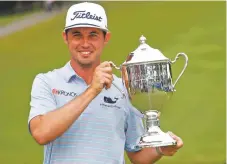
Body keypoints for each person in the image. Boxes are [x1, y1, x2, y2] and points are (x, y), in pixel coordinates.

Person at [28, 2, 183, 164]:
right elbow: (41, 133)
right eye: (77, 35)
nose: (85, 43)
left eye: (93, 35)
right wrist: (92, 90)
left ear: (105, 38)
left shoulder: (123, 88)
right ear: (65, 38)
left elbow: (137, 155)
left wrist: (160, 148)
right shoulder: (46, 82)